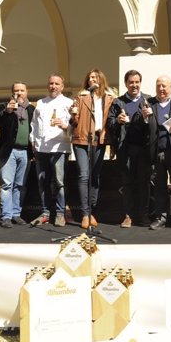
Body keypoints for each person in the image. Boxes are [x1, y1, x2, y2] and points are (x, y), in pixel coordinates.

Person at [107, 69, 153, 228]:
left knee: (144, 183)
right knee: (127, 184)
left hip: (144, 149)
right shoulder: (117, 102)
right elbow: (110, 124)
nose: (134, 85)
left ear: (140, 83)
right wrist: (118, 122)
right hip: (125, 149)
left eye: (137, 82)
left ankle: (143, 215)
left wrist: (148, 118)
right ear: (126, 84)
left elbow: (154, 125)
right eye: (131, 82)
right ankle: (128, 215)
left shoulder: (148, 100)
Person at [69, 69, 115, 230]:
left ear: (101, 80)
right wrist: (72, 117)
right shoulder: (81, 97)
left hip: (100, 140)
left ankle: (91, 211)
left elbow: (112, 121)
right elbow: (73, 120)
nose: (91, 80)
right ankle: (85, 214)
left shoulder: (109, 99)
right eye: (89, 78)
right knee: (83, 175)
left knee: (95, 176)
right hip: (81, 139)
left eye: (94, 77)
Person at [29, 74, 74, 227]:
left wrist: (65, 126)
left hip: (60, 148)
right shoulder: (41, 103)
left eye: (56, 84)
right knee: (43, 182)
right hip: (41, 148)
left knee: (59, 182)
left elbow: (75, 126)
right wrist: (33, 141)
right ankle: (45, 212)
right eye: (51, 83)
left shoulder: (69, 103)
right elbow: (34, 125)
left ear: (62, 86)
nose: (53, 86)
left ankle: (60, 213)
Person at [147, 75, 171, 231]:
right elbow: (141, 125)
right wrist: (144, 118)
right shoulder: (149, 103)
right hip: (157, 152)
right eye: (159, 86)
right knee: (159, 188)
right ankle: (160, 217)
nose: (161, 89)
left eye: (164, 86)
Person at [0, 82, 34, 228]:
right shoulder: (4, 106)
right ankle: (6, 216)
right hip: (7, 151)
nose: (19, 93)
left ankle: (16, 214)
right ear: (12, 92)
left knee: (20, 185)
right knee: (6, 185)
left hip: (25, 151)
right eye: (16, 91)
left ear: (26, 92)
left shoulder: (31, 109)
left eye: (22, 90)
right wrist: (7, 111)